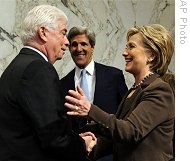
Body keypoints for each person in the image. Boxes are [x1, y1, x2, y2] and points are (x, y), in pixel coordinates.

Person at [64, 24, 175, 161]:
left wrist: (90, 109)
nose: (124, 53)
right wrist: (93, 145)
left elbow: (130, 131)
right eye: (126, 47)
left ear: (151, 55)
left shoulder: (159, 90)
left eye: (131, 46)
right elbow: (118, 133)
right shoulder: (135, 89)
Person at [0, 5, 96, 161]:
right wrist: (83, 144)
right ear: (43, 33)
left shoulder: (17, 65)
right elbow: (55, 138)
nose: (66, 42)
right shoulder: (38, 69)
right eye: (63, 33)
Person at [60, 26, 128, 161]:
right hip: (78, 154)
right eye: (74, 45)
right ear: (69, 49)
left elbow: (126, 114)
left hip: (110, 153)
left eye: (84, 44)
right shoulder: (62, 84)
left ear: (92, 47)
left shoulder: (114, 76)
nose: (79, 49)